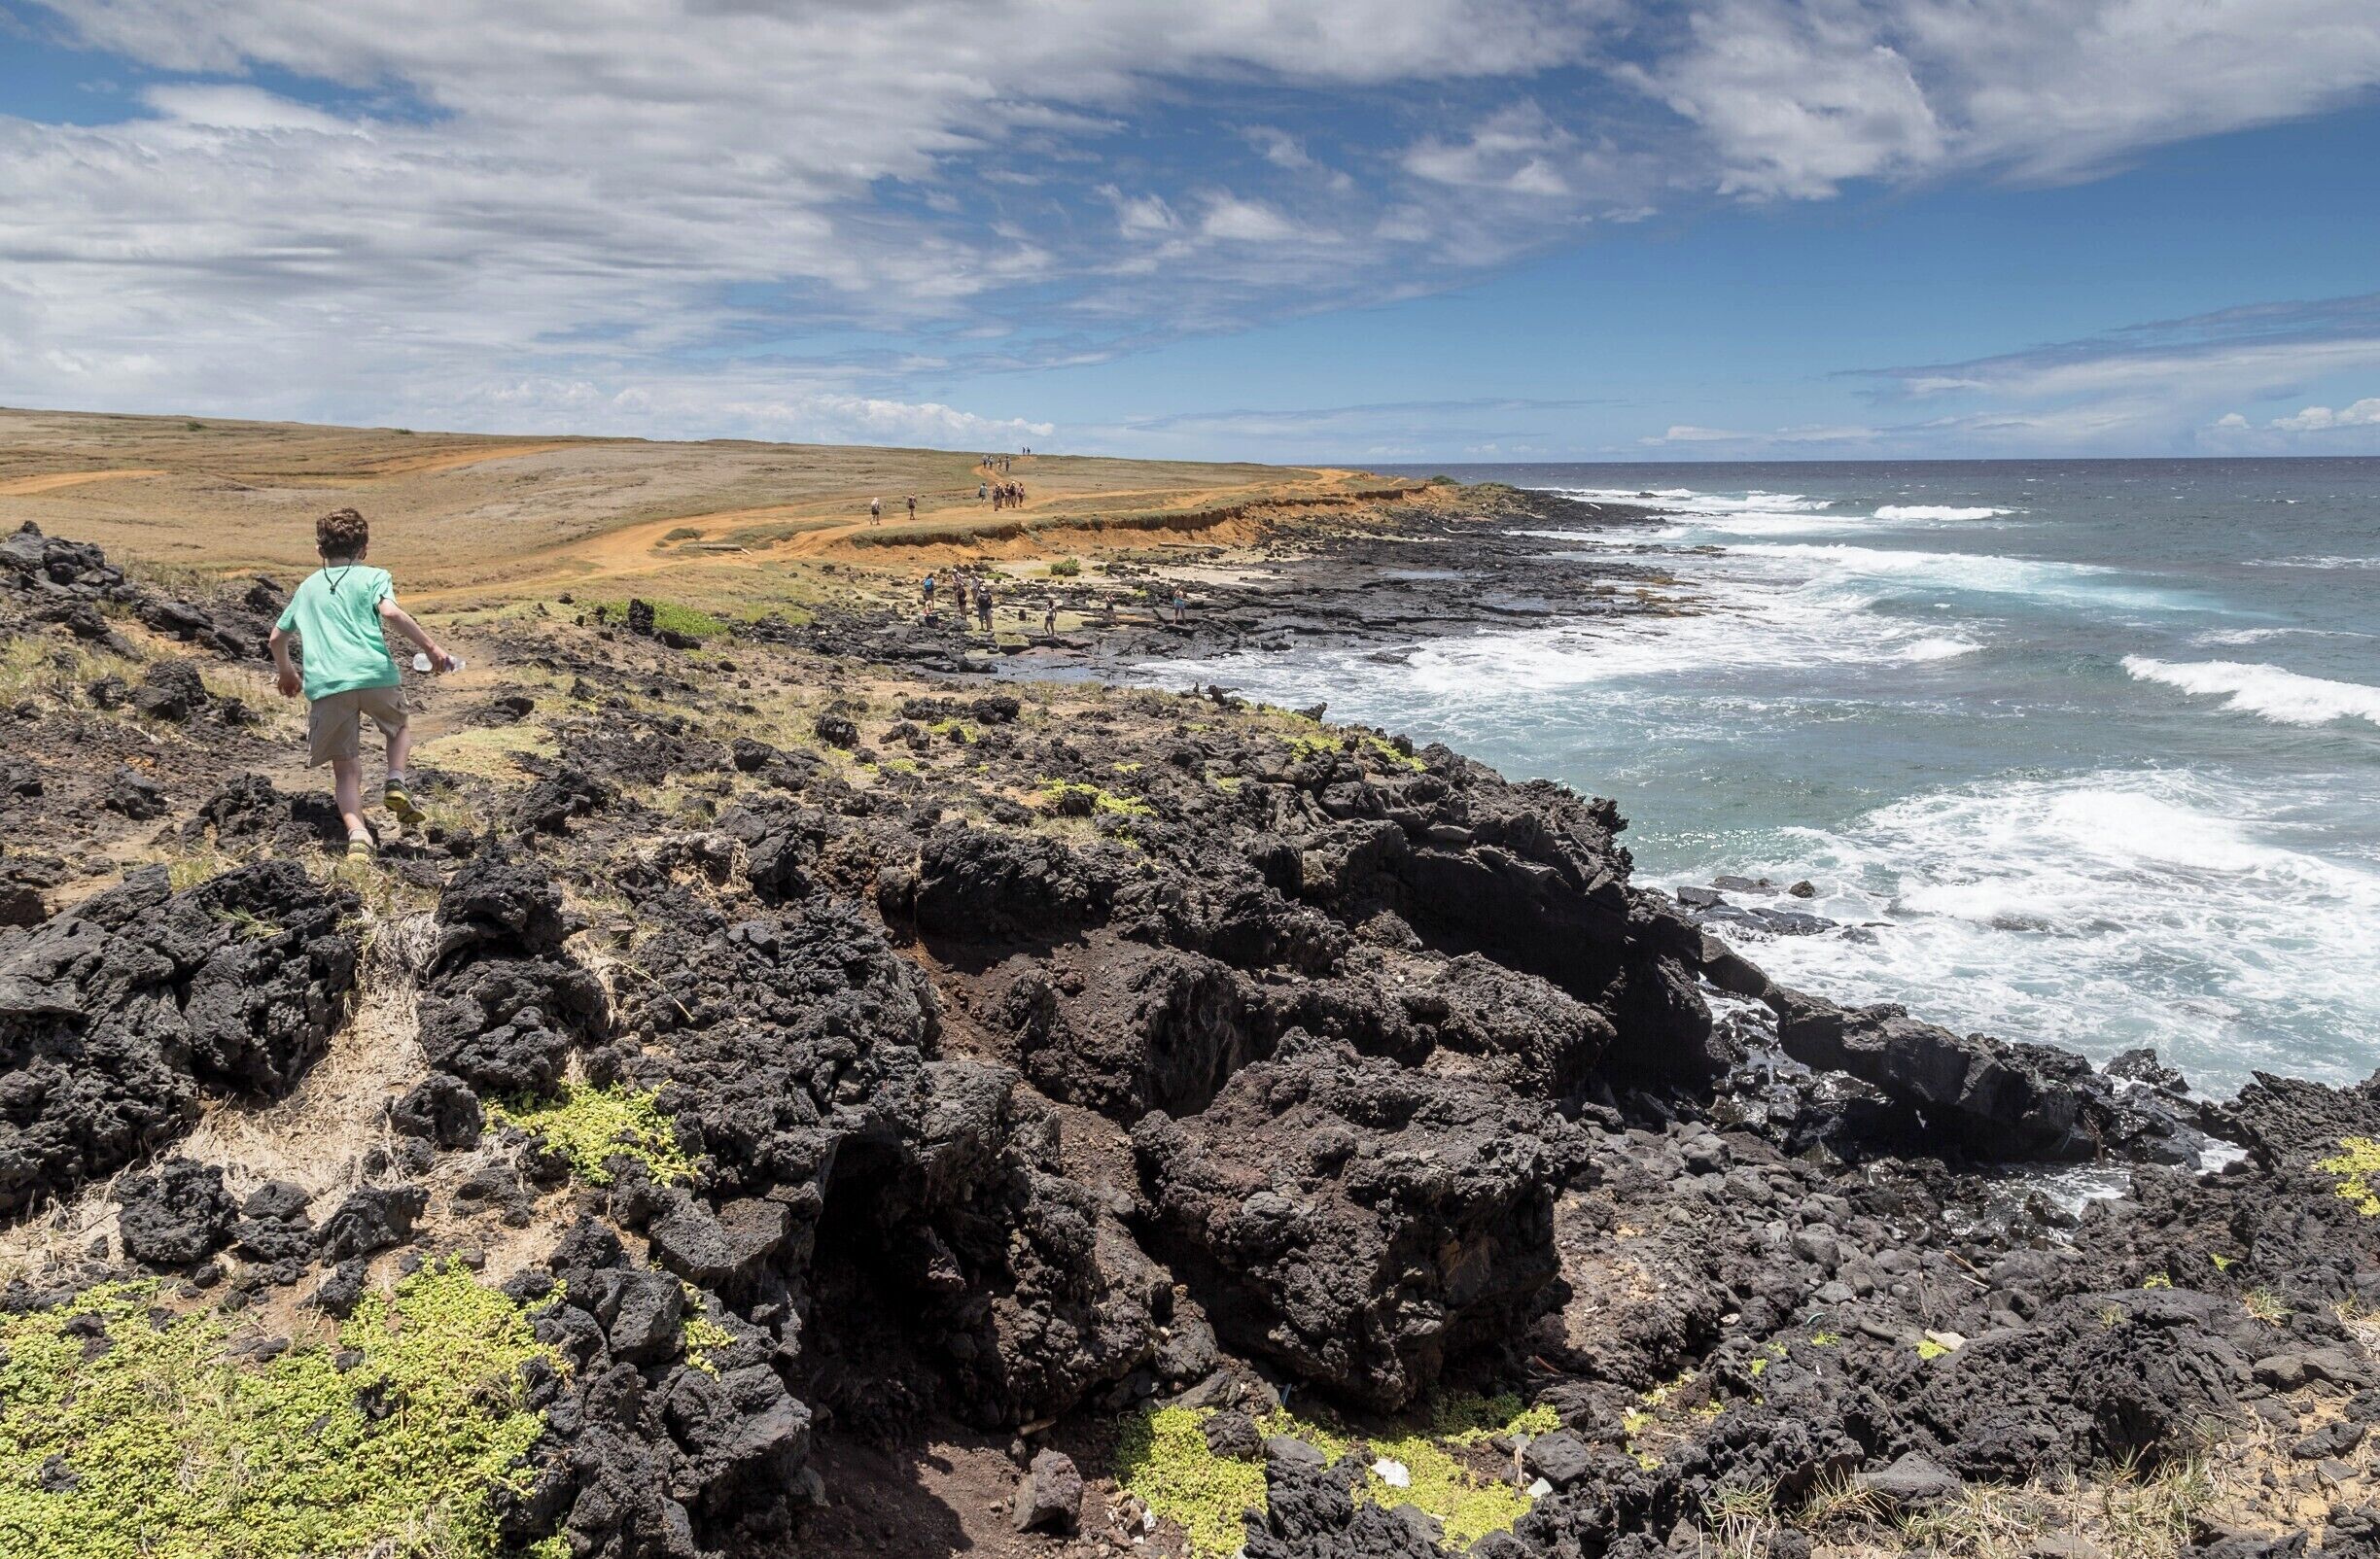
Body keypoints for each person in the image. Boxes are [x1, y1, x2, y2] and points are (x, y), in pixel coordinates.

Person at [268, 507, 453, 862]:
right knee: (398, 729)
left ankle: (358, 835)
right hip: (374, 675)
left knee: (345, 764)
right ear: (364, 548)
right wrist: (431, 648)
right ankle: (396, 779)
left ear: (319, 550)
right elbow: (391, 613)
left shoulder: (306, 587)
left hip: (328, 685)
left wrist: (287, 673)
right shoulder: (374, 576)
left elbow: (277, 637)